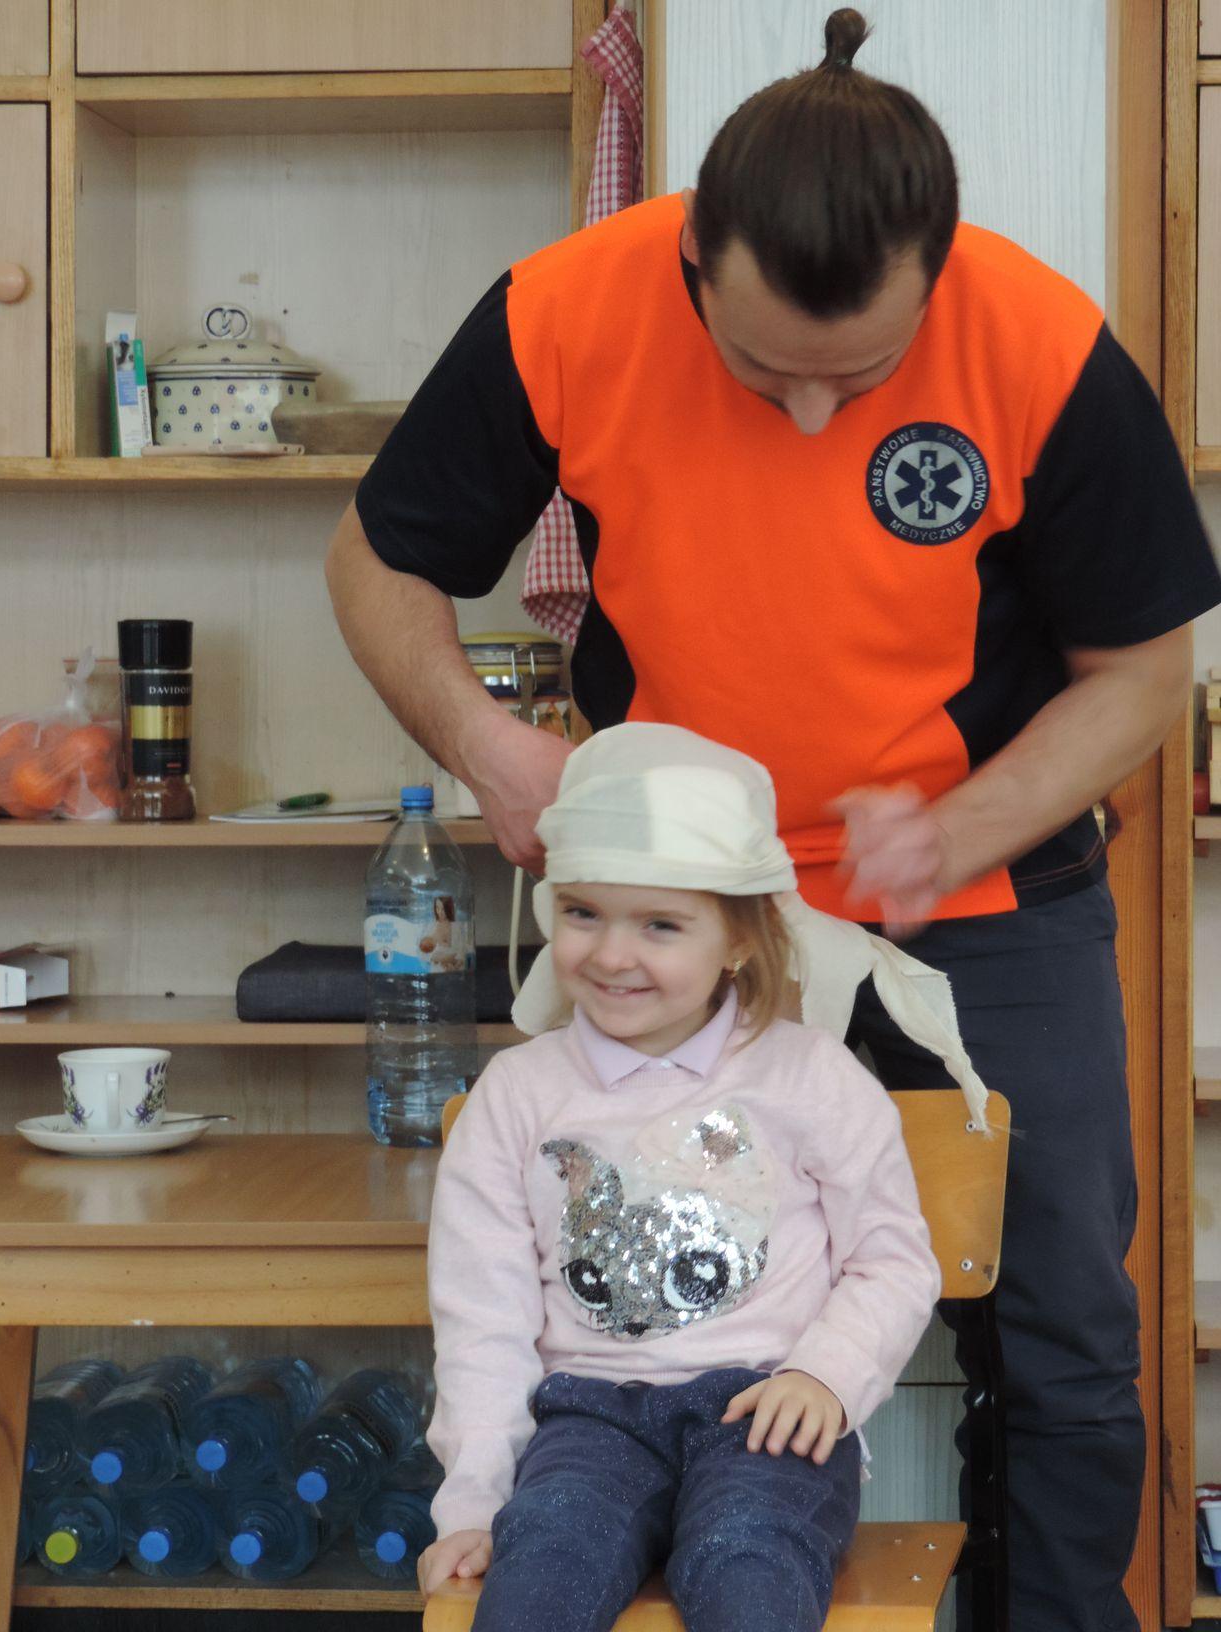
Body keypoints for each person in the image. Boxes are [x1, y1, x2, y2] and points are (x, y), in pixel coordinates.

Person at [327, 10, 1221, 1628]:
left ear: (936, 275)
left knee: (1066, 1328)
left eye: (858, 379)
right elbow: (376, 557)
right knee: (618, 1290)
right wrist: (483, 743)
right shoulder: (568, 308)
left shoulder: (1035, 340)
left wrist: (959, 829)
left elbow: (1145, 663)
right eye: (763, 373)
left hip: (979, 898)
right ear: (691, 270)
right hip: (677, 913)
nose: (812, 420)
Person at [418, 722, 955, 1632]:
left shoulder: (814, 1079)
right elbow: (483, 1321)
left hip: (767, 1415)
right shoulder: (514, 1096)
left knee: (749, 1563)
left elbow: (891, 1260)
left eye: (660, 925)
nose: (611, 954)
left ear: (739, 937)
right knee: (542, 1562)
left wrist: (825, 1377)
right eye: (583, 913)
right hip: (585, 1426)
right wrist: (473, 1504)